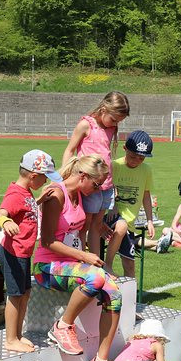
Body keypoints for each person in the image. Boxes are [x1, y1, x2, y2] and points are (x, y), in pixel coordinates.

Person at [34, 154, 122, 361]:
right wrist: (85, 257)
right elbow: (49, 240)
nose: (96, 190)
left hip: (70, 264)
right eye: (95, 184)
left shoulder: (79, 195)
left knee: (114, 292)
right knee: (95, 277)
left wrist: (99, 230)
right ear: (83, 176)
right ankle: (63, 326)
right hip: (47, 267)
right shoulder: (56, 195)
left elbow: (76, 232)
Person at [0, 149, 60, 353]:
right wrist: (5, 222)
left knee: (25, 293)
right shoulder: (15, 193)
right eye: (44, 178)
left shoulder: (27, 193)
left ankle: (18, 334)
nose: (45, 181)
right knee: (15, 295)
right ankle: (11, 338)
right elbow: (2, 212)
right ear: (33, 176)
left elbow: (25, 211)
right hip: (13, 253)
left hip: (23, 253)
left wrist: (39, 200)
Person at [63, 91, 130, 259]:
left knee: (97, 225)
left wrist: (112, 184)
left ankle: (95, 263)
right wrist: (64, 177)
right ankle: (79, 260)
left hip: (106, 185)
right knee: (83, 226)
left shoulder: (110, 128)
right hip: (89, 185)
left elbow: (106, 153)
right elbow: (70, 149)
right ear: (104, 108)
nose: (115, 124)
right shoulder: (86, 125)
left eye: (118, 121)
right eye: (114, 119)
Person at [104, 130, 155, 279]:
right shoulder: (115, 166)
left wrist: (150, 219)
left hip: (130, 220)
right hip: (112, 216)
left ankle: (129, 300)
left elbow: (146, 195)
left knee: (130, 267)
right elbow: (106, 188)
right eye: (132, 156)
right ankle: (108, 264)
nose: (135, 161)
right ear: (125, 149)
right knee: (121, 226)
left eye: (141, 158)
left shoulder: (146, 170)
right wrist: (113, 206)